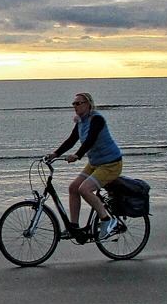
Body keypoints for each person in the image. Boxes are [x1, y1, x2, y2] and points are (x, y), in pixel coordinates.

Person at [46, 91, 123, 240]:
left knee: (84, 190)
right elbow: (72, 140)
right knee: (73, 188)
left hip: (111, 164)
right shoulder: (81, 121)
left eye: (78, 103)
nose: (75, 106)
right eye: (73, 104)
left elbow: (90, 140)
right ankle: (73, 227)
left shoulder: (97, 119)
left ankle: (107, 220)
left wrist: (78, 155)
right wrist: (55, 154)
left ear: (88, 104)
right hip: (95, 163)